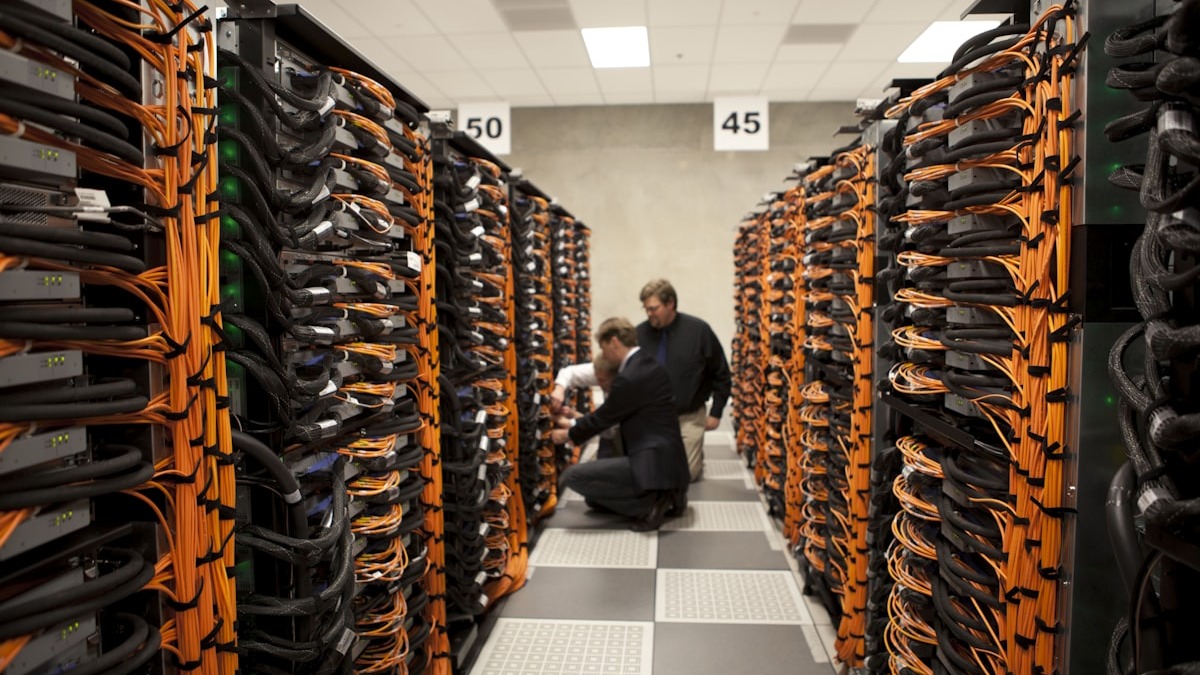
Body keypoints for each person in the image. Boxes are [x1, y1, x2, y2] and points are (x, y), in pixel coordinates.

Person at [550, 317, 689, 531]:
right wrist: (573, 419)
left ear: (614, 342)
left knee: (573, 476)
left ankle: (651, 503)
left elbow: (603, 418)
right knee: (594, 501)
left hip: (652, 460)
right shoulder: (647, 364)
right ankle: (666, 494)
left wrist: (567, 434)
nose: (603, 354)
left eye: (603, 348)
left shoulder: (630, 377)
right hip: (668, 460)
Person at [637, 278, 731, 482]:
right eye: (646, 309)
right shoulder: (639, 334)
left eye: (654, 308)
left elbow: (721, 372)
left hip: (688, 417)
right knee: (643, 470)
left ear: (670, 303)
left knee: (685, 473)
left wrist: (716, 412)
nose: (649, 314)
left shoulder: (699, 331)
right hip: (650, 417)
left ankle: (690, 452)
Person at [551, 358, 623, 458]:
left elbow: (610, 428)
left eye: (602, 380)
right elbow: (570, 372)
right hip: (607, 431)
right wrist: (559, 389)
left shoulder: (625, 390)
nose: (599, 384)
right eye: (597, 379)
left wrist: (571, 425)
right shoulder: (604, 369)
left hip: (623, 442)